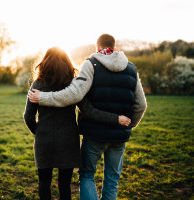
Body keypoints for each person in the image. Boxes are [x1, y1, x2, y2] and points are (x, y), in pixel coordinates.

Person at [28, 34, 147, 199]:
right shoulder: (130, 68)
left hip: (81, 136)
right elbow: (141, 105)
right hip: (103, 137)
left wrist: (40, 120)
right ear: (114, 46)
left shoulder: (90, 65)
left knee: (78, 177)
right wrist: (127, 124)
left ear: (97, 47)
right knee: (107, 180)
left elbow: (31, 115)